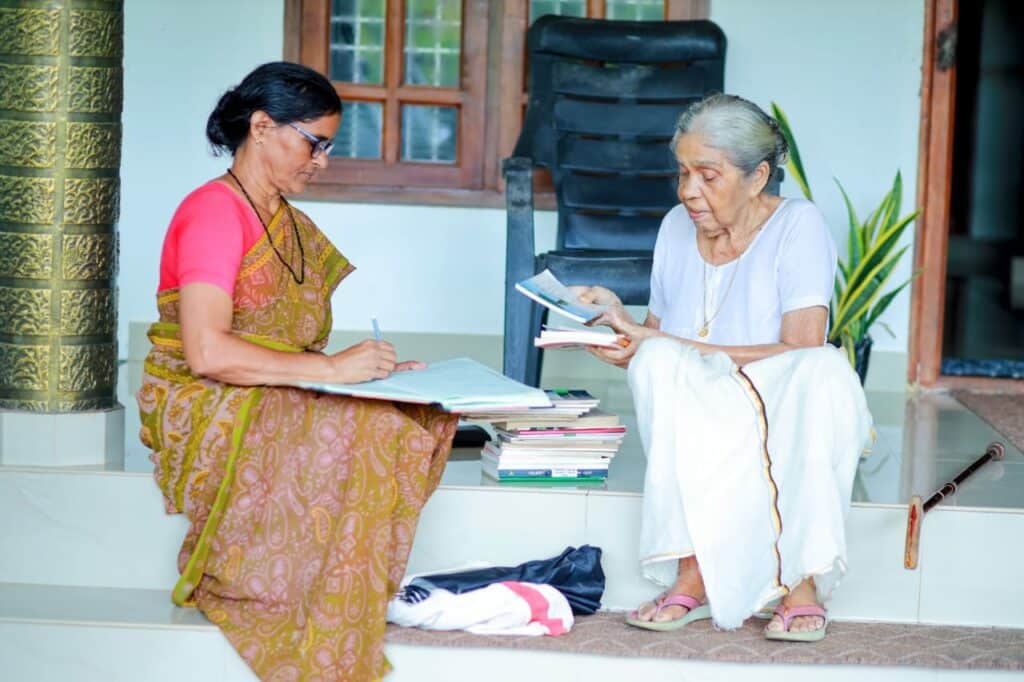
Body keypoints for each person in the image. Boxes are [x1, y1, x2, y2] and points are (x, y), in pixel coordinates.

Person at [136, 62, 457, 681]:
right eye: (314, 142)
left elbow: (293, 344)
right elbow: (207, 352)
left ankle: (338, 589)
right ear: (261, 127)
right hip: (202, 395)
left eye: (327, 146)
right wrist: (331, 369)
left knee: (412, 413)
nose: (322, 161)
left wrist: (376, 374)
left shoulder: (285, 221)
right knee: (372, 432)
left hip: (266, 382)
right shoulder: (214, 212)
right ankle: (267, 587)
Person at [577, 94, 873, 642]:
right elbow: (660, 340)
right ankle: (693, 570)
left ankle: (800, 582)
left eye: (708, 176)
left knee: (822, 372)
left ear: (758, 176)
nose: (689, 191)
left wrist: (669, 347)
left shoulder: (797, 225)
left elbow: (802, 346)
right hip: (703, 400)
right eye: (683, 173)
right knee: (659, 357)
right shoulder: (674, 227)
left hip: (782, 393)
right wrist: (625, 331)